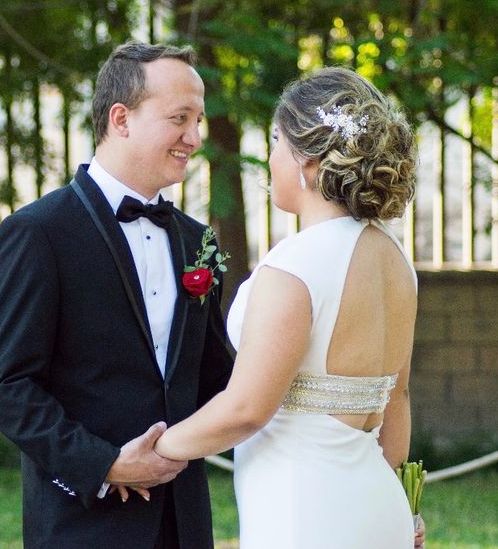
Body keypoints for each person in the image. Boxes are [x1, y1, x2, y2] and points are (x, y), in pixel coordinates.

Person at [153, 66, 424, 548]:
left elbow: (247, 409)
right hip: (379, 507)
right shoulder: (395, 259)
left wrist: (154, 451)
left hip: (304, 510)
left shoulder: (295, 265)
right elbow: (396, 400)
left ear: (311, 160)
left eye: (277, 141)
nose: (271, 157)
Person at [0, 42, 235, 549]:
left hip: (184, 525)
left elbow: (215, 378)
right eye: (180, 118)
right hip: (83, 524)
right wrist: (105, 464)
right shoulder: (37, 232)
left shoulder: (197, 240)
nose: (194, 138)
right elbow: (5, 387)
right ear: (121, 119)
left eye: (199, 120)